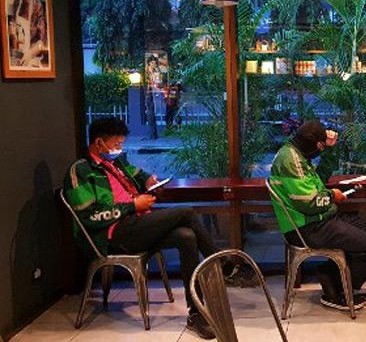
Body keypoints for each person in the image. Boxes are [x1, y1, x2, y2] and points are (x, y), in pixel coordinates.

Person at [63, 118, 254, 339]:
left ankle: (196, 313)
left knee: (187, 236)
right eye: (116, 144)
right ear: (99, 143)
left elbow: (140, 175)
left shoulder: (117, 164)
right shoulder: (81, 171)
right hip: (111, 236)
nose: (119, 149)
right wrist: (132, 206)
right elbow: (89, 217)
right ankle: (224, 266)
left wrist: (149, 182)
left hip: (136, 227)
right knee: (187, 213)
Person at [269, 120, 366, 311]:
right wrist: (332, 196)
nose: (319, 150)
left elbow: (320, 178)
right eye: (319, 146)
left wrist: (329, 149)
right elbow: (309, 203)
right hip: (307, 227)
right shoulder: (290, 160)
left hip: (319, 219)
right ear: (310, 142)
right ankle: (343, 294)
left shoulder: (296, 153)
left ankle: (330, 278)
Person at [10, 0, 48, 68]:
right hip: (19, 55)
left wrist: (29, 54)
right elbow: (16, 39)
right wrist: (13, 35)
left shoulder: (37, 5)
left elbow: (41, 41)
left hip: (32, 56)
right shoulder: (16, 4)